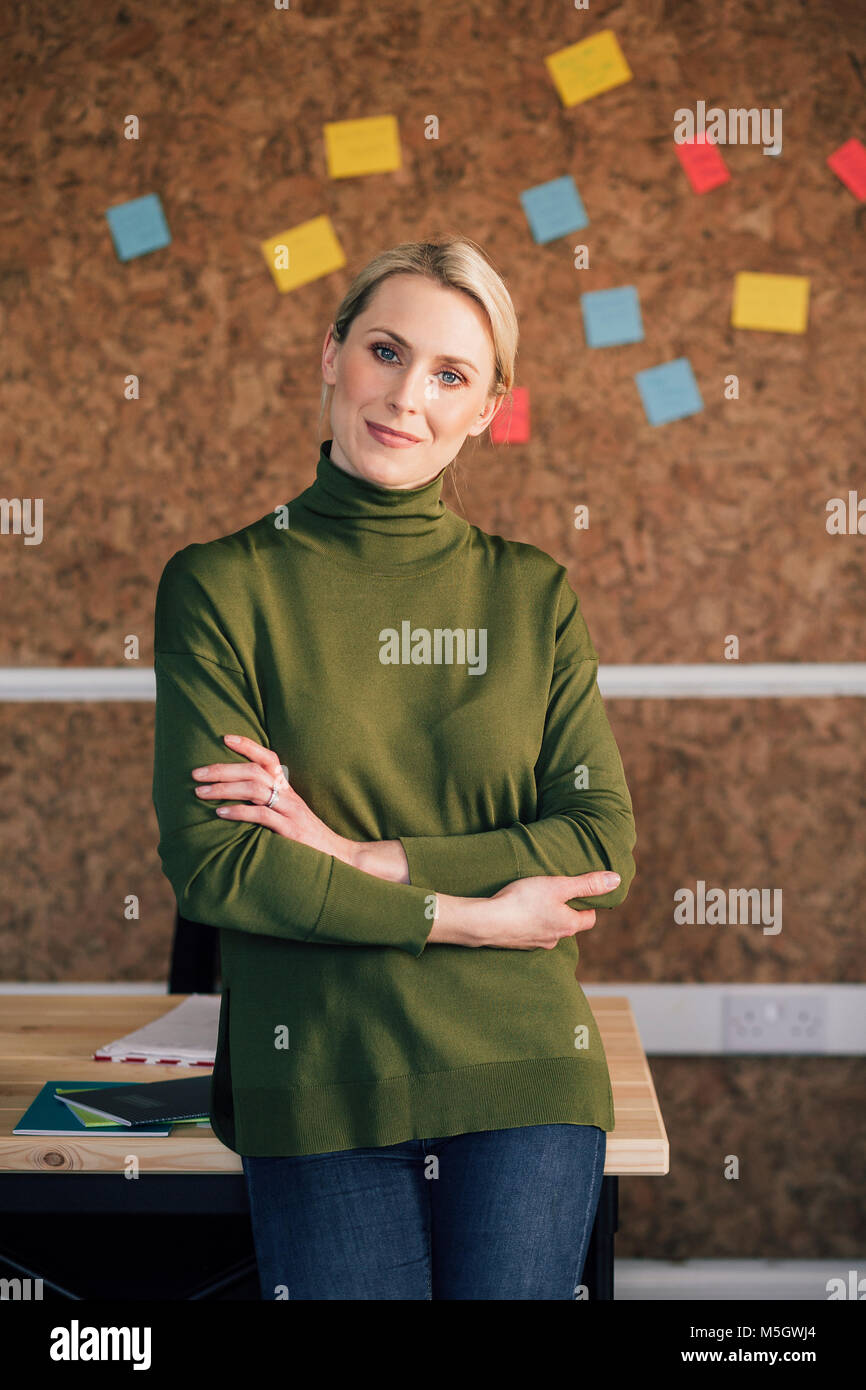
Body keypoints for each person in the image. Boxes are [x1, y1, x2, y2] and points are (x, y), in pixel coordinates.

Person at [151, 235, 637, 1300]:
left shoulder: (531, 595)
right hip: (320, 1067)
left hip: (520, 1061)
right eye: (384, 350)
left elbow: (597, 846)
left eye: (449, 374)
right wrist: (472, 914)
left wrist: (351, 854)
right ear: (331, 356)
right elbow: (221, 869)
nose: (405, 394)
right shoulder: (222, 587)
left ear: (487, 408)